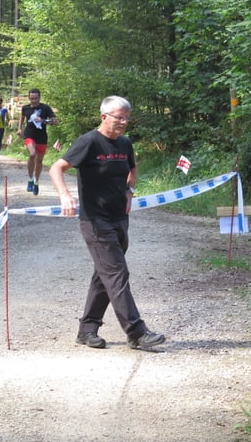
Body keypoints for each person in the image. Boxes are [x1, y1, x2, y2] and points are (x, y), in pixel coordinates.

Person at [49, 95, 166, 350]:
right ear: (104, 116)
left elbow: (132, 170)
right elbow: (56, 168)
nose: (123, 122)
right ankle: (136, 332)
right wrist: (64, 195)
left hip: (119, 220)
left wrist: (129, 192)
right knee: (116, 273)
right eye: (118, 117)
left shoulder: (124, 143)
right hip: (95, 221)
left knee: (105, 275)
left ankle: (87, 329)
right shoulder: (89, 142)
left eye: (126, 118)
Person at [17, 88, 57, 195]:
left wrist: (43, 120)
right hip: (29, 135)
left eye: (35, 98)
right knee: (32, 154)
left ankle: (36, 181)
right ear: (28, 98)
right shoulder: (25, 108)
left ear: (39, 98)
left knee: (39, 161)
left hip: (42, 137)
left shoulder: (45, 108)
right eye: (31, 98)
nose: (33, 101)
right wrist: (19, 128)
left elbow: (54, 121)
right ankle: (30, 179)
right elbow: (22, 117)